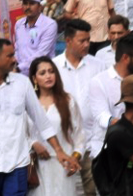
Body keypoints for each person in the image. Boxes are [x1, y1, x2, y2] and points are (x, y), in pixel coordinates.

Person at [0, 39, 79, 195]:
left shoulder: (22, 83)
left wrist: (59, 151)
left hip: (18, 164)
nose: (15, 59)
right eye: (10, 56)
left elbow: (41, 121)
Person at [51, 19, 107, 194]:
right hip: (63, 143)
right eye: (82, 41)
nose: (87, 44)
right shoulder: (53, 67)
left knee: (92, 189)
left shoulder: (98, 66)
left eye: (88, 40)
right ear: (68, 41)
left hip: (92, 140)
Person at [28, 57, 87, 196]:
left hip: (62, 165)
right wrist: (33, 144)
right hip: (36, 166)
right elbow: (21, 134)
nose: (48, 76)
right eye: (42, 73)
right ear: (34, 79)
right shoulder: (29, 104)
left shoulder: (68, 101)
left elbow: (80, 134)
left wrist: (75, 158)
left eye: (51, 71)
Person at [85, 33, 133, 155]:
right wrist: (127, 126)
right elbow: (102, 116)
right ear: (125, 58)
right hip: (107, 151)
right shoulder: (99, 82)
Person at [13, 0, 57, 75]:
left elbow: (41, 53)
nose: (27, 7)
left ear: (40, 6)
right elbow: (17, 48)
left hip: (42, 73)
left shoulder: (49, 25)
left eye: (32, 3)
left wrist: (19, 68)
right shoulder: (19, 24)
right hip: (21, 74)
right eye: (25, 3)